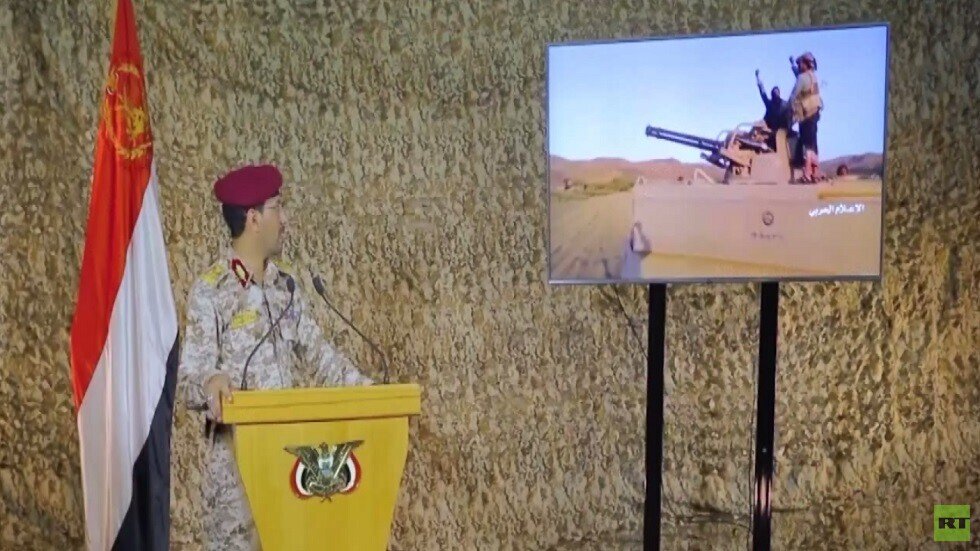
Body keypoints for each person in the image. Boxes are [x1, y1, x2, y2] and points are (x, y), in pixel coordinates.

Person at [178, 164, 372, 550]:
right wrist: (210, 381)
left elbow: (321, 356)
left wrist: (371, 393)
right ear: (253, 219)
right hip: (237, 479)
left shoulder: (287, 288)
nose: (285, 220)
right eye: (277, 208)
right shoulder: (211, 290)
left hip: (288, 463)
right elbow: (187, 379)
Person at [788, 52, 823, 182]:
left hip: (806, 115)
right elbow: (798, 74)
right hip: (815, 113)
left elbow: (793, 96)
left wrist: (789, 111)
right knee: (812, 144)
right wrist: (792, 64)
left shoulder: (802, 78)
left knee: (807, 146)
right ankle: (815, 173)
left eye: (800, 64)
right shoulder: (812, 76)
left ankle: (807, 174)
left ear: (805, 64)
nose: (799, 66)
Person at [755, 69, 787, 140]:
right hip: (769, 129)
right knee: (758, 125)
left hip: (781, 131)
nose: (776, 94)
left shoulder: (784, 105)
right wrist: (758, 78)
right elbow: (763, 92)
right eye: (774, 93)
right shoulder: (770, 104)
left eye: (777, 92)